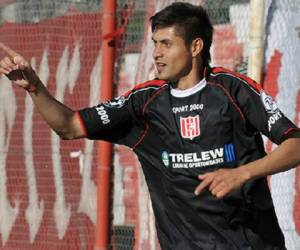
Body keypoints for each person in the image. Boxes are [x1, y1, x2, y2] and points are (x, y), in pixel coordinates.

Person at [0, 2, 299, 250]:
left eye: (166, 44)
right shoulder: (143, 103)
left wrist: (243, 173)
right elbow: (69, 126)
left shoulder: (234, 91)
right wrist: (34, 87)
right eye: (155, 43)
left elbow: (295, 144)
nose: (156, 53)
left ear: (196, 46)